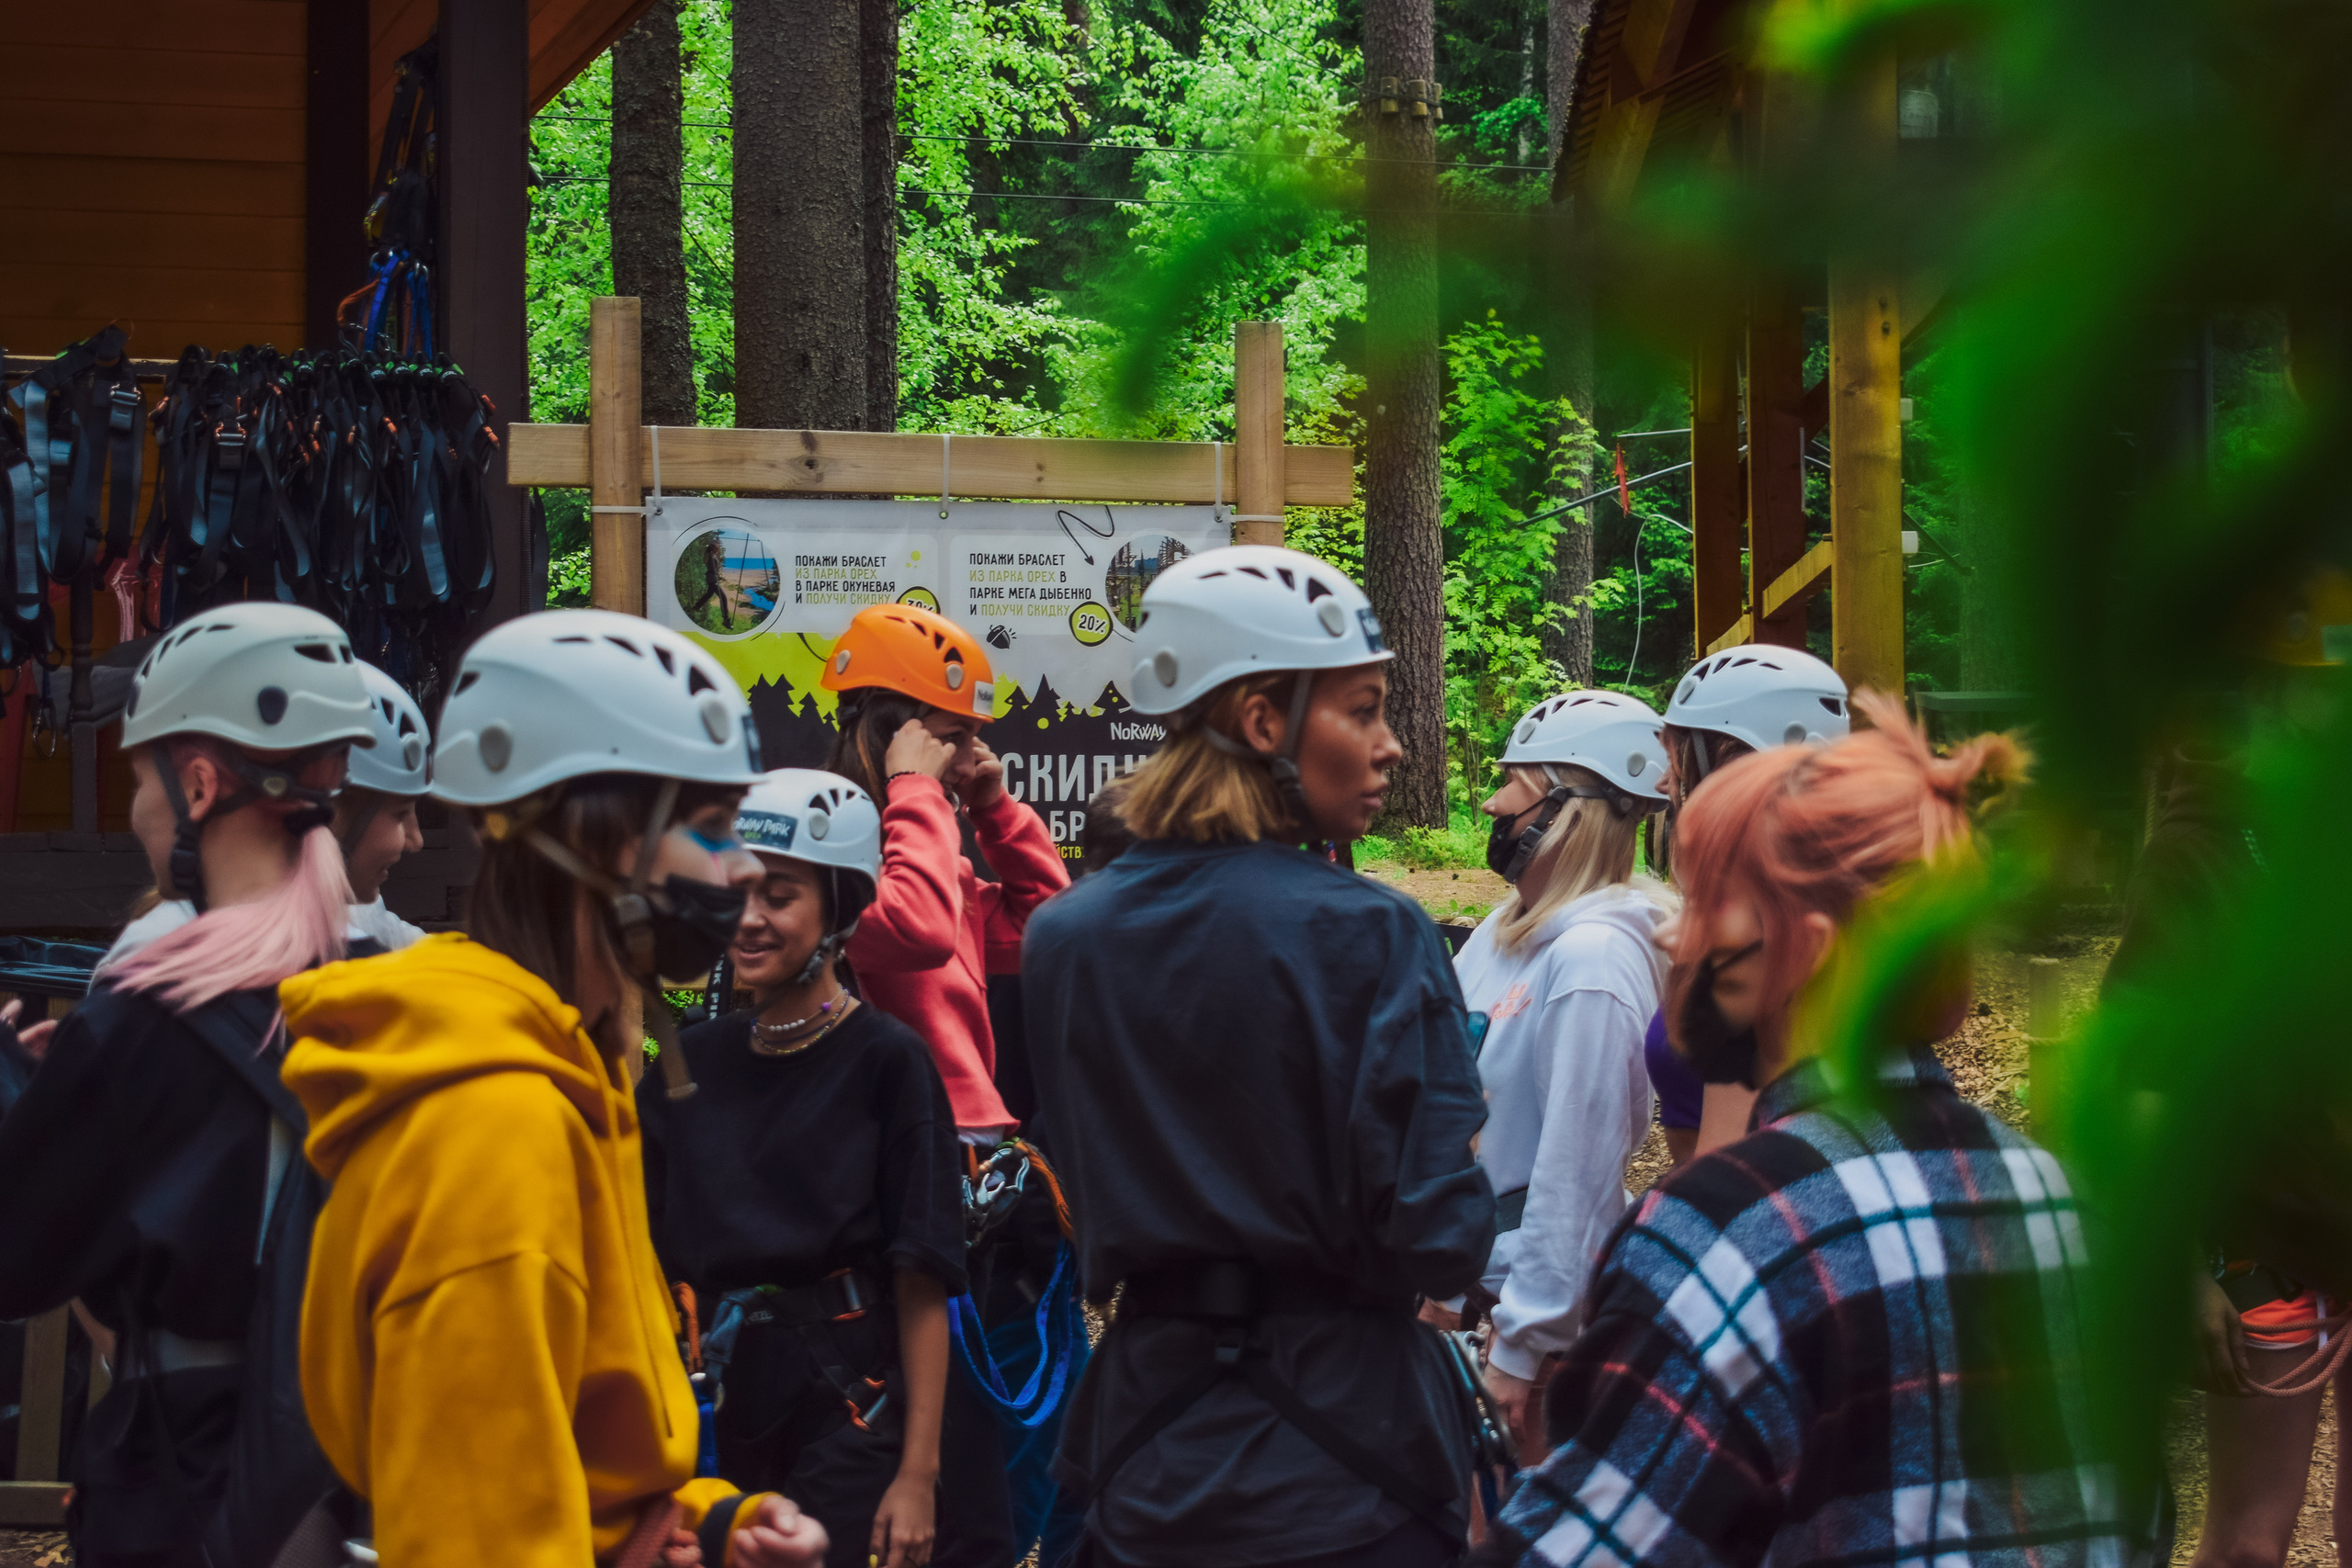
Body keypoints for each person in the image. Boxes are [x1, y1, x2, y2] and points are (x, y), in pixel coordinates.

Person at [1485, 693, 2161, 1568]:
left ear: (1795, 947)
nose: (1672, 928)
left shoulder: (1721, 1235)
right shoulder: (2065, 1205)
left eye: (1706, 902)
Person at [277, 609, 828, 1568]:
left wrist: (696, 1522)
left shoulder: (564, 1069)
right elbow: (482, 1533)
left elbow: (560, 1434)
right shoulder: (494, 1126)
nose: (739, 870)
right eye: (707, 828)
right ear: (594, 838)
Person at [1024, 545, 1496, 1568]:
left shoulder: (1064, 937)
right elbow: (1441, 1236)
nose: (1392, 747)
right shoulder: (1373, 932)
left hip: (1148, 1446)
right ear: (1262, 722)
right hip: (1353, 1458)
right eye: (1364, 709)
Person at [0, 602, 379, 1567]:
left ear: (199, 784)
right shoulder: (376, 992)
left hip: (180, 1496)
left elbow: (20, 1261)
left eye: (139, 779)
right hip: (350, 1494)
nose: (136, 810)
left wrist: (29, 1097)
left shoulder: (140, 1023)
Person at [641, 768, 966, 1568]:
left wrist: (919, 1473)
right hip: (713, 1401)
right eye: (734, 892)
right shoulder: (688, 1067)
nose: (747, 919)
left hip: (849, 1404)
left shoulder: (888, 1062)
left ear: (840, 910)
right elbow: (639, 1253)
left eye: (778, 895)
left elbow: (922, 1277)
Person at [1451, 690, 1672, 1467]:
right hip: (1470, 1303)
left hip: (1529, 1336)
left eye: (1514, 782)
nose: (1490, 800)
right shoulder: (1501, 932)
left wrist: (1521, 1344)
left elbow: (1574, 1170)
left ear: (1567, 808)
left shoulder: (1594, 960)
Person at [819, 600, 1069, 1143]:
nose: (966, 763)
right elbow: (919, 933)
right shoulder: (825, 866)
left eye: (973, 739)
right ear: (895, 734)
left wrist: (997, 810)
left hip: (960, 1131)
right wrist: (915, 785)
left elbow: (1047, 929)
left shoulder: (935, 870)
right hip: (889, 1132)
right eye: (952, 737)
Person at [93, 657, 434, 973]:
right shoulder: (159, 957)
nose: (416, 839)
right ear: (328, 811)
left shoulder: (359, 919)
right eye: (401, 813)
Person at [1650, 644, 1849, 1163]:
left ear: (1726, 764)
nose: (1661, 782)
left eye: (1675, 760)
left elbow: (1730, 1153)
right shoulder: (1812, 885)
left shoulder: (1763, 917)